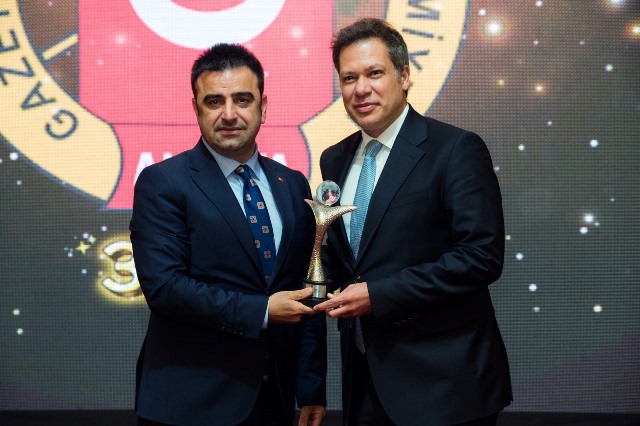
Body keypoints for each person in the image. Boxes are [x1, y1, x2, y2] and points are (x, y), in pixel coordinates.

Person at [314, 18, 512, 426]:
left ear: (404, 76)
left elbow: (481, 257)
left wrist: (379, 294)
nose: (360, 89)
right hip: (364, 379)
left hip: (444, 385)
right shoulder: (334, 158)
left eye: (374, 73)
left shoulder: (454, 149)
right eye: (349, 78)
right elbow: (350, 257)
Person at [130, 43, 327, 426]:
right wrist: (262, 312)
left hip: (275, 400)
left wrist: (312, 387)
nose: (230, 114)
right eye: (214, 101)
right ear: (196, 108)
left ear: (263, 107)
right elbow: (165, 288)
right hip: (190, 402)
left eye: (242, 99)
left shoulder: (292, 184)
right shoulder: (163, 182)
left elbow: (307, 290)